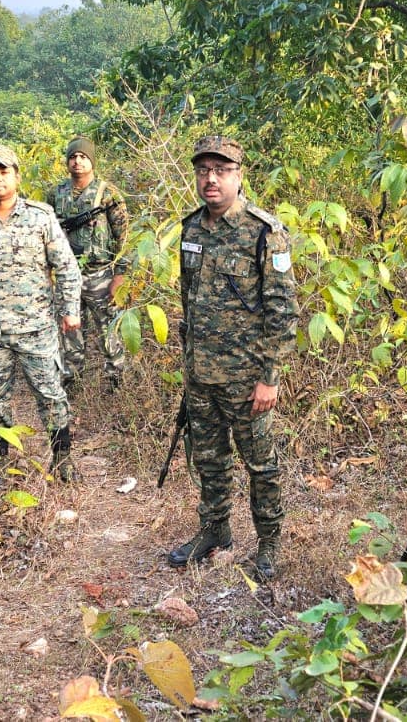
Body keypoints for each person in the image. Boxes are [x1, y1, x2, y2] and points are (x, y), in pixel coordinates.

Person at [168, 135, 297, 581]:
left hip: (247, 378)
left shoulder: (264, 231)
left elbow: (283, 311)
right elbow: (189, 301)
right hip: (201, 374)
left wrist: (270, 377)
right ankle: (215, 530)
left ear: (239, 175)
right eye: (203, 170)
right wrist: (189, 364)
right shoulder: (190, 229)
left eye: (221, 170)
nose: (210, 178)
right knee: (208, 458)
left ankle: (269, 543)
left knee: (260, 463)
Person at [0, 145, 83, 476]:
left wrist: (70, 310)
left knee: (50, 394)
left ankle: (63, 459)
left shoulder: (41, 217)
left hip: (36, 327)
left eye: (4, 172)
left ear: (17, 176)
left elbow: (66, 267)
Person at [47, 136, 130, 388]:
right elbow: (47, 235)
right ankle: (71, 379)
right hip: (66, 275)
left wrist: (120, 275)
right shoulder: (56, 194)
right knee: (69, 332)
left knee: (109, 330)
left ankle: (116, 379)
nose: (78, 161)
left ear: (92, 161)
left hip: (101, 274)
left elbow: (124, 237)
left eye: (83, 156)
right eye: (73, 157)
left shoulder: (107, 194)